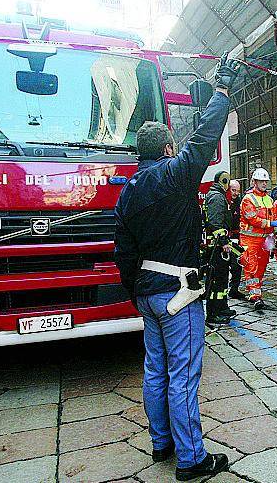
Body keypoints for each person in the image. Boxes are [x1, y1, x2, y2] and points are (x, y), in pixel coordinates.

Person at [113, 55, 240, 480]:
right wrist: (221, 92)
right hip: (178, 292)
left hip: (147, 294)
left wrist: (136, 291)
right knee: (183, 376)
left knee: (155, 370)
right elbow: (204, 139)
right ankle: (191, 459)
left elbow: (123, 252)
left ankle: (161, 442)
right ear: (168, 149)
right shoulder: (173, 175)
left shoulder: (127, 192)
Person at [240, 167, 277, 312]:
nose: (264, 184)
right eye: (261, 181)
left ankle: (257, 291)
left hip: (265, 239)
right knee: (251, 266)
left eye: (265, 181)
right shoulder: (248, 198)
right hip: (250, 239)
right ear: (254, 182)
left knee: (262, 266)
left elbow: (273, 217)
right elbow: (253, 219)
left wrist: (275, 233)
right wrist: (271, 224)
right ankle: (255, 296)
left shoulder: (269, 199)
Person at [203, 171, 236, 325]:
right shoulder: (217, 197)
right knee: (216, 281)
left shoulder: (217, 195)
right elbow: (216, 224)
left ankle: (222, 307)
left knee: (222, 279)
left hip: (219, 246)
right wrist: (223, 242)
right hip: (216, 247)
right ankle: (213, 313)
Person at [227, 179, 246, 299]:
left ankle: (234, 289)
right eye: (233, 190)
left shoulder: (239, 201)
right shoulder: (224, 200)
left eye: (238, 191)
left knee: (237, 265)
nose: (235, 193)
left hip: (235, 237)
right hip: (224, 237)